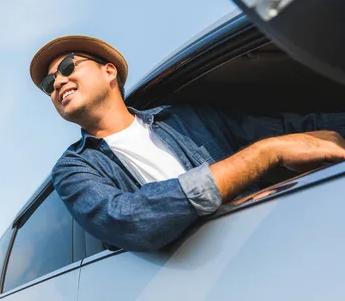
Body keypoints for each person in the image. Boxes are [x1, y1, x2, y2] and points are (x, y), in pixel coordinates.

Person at [29, 35, 345, 252]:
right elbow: (130, 220)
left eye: (68, 67)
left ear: (109, 71)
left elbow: (295, 129)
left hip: (276, 244)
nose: (56, 82)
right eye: (48, 83)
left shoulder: (185, 118)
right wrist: (266, 153)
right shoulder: (73, 168)